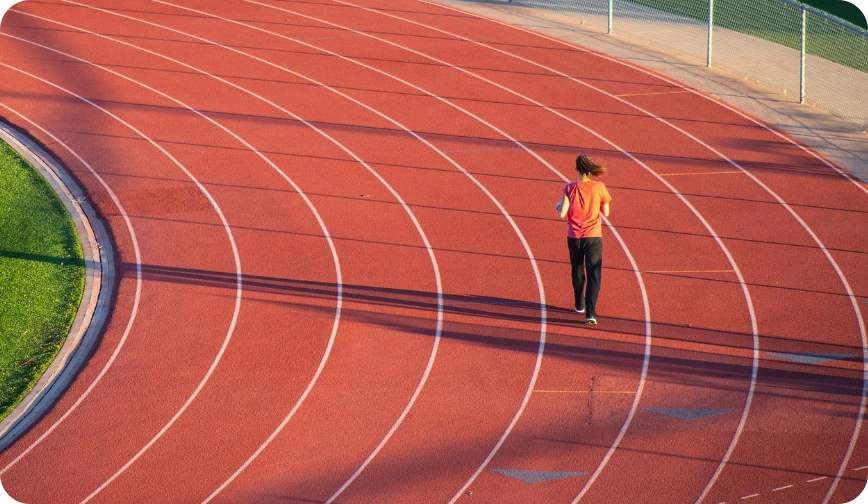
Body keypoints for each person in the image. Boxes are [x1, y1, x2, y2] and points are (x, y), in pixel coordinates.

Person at [556, 155, 612, 324]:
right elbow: (606, 212)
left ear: (577, 169)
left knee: (577, 269)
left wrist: (558, 205)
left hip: (574, 236)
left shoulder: (569, 188)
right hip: (594, 236)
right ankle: (591, 314)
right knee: (594, 274)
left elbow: (562, 213)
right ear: (590, 169)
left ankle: (579, 304)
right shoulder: (600, 187)